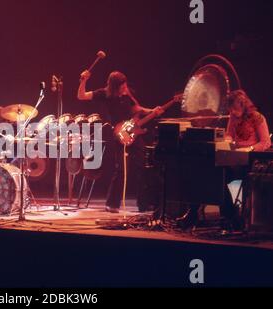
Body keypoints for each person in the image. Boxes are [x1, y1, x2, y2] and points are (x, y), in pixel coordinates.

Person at [177, 90, 271, 230]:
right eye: (230, 109)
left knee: (221, 176)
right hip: (233, 158)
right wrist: (225, 141)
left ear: (243, 105)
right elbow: (229, 135)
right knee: (206, 172)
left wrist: (249, 149)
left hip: (250, 161)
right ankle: (196, 212)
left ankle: (230, 216)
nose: (232, 112)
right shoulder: (233, 118)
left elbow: (265, 143)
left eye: (234, 108)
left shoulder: (258, 118)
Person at [77, 70, 163, 213]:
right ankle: (112, 204)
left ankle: (144, 204)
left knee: (143, 166)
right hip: (118, 133)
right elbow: (81, 96)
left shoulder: (127, 94)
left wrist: (153, 111)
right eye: (122, 86)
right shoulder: (104, 94)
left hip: (133, 132)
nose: (124, 88)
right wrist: (83, 81)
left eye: (125, 85)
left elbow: (138, 109)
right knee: (121, 169)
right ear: (114, 86)